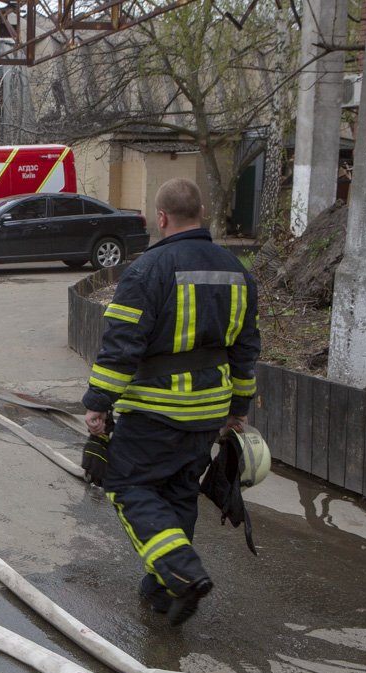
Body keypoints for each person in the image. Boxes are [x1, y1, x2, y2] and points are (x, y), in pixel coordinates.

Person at [81, 177, 260, 627]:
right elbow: (246, 349)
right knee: (179, 491)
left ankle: (181, 573)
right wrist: (239, 408)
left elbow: (122, 345)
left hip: (155, 410)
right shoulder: (237, 271)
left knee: (128, 486)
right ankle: (162, 590)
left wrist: (98, 403)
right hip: (208, 412)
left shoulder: (148, 270)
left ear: (161, 218)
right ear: (202, 213)